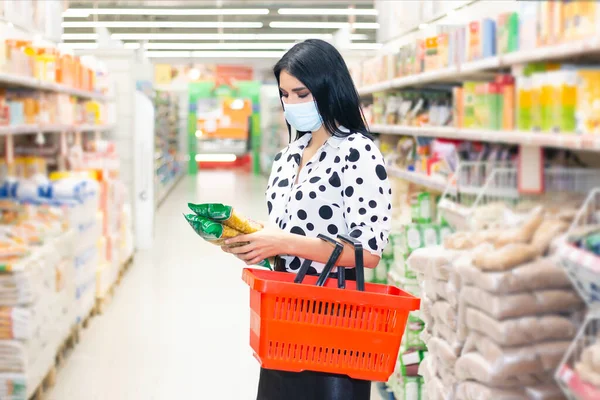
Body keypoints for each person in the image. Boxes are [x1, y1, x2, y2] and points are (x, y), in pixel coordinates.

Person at [222, 39, 392, 400]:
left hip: (335, 321)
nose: (292, 104)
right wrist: (254, 242)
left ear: (329, 89)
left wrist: (282, 242)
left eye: (302, 93)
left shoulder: (357, 153)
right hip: (284, 318)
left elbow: (369, 253)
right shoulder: (287, 157)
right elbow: (285, 233)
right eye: (285, 95)